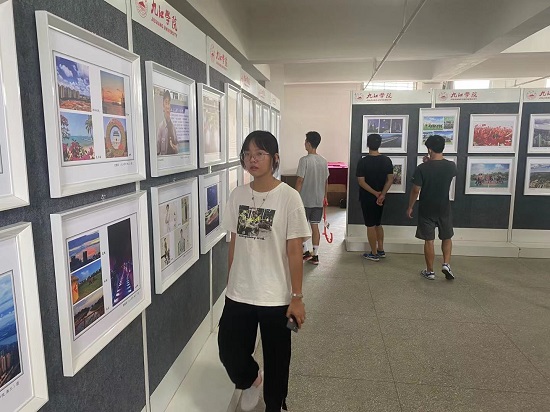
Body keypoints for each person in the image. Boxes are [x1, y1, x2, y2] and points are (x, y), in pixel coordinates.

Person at [219, 131, 311, 412]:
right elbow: (235, 243)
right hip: (240, 291)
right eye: (247, 154)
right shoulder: (238, 195)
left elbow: (294, 250)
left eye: (260, 153)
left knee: (277, 359)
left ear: (275, 158)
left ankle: (274, 405)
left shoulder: (289, 197)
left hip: (275, 294)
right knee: (229, 350)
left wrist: (297, 296)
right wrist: (230, 282)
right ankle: (250, 380)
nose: (253, 159)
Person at [407, 134, 458, 280]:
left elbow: (416, 190)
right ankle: (446, 264)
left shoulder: (422, 168)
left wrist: (410, 206)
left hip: (427, 208)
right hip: (444, 207)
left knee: (429, 240)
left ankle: (430, 271)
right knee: (446, 236)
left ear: (429, 149)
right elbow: (440, 170)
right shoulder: (451, 166)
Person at [355, 133, 394, 261]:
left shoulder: (363, 161)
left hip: (367, 197)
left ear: (368, 144)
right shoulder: (386, 160)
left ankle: (373, 252)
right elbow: (390, 179)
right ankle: (381, 249)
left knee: (370, 225)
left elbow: (361, 181)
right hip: (381, 198)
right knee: (378, 223)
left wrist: (375, 193)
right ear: (380, 144)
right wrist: (382, 194)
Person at [295, 131, 329, 265]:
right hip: (318, 200)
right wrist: (325, 197)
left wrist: (294, 197)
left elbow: (299, 180)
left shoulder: (304, 160)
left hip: (304, 200)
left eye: (305, 141)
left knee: (301, 227)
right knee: (315, 227)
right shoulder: (323, 161)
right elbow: (326, 182)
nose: (304, 143)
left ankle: (305, 252)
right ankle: (315, 255)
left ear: (308, 143)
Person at [157, 90, 178, 155]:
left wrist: (175, 147)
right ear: (163, 107)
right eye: (166, 103)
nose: (168, 106)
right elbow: (157, 151)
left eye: (169, 103)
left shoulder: (173, 127)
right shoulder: (160, 127)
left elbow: (177, 146)